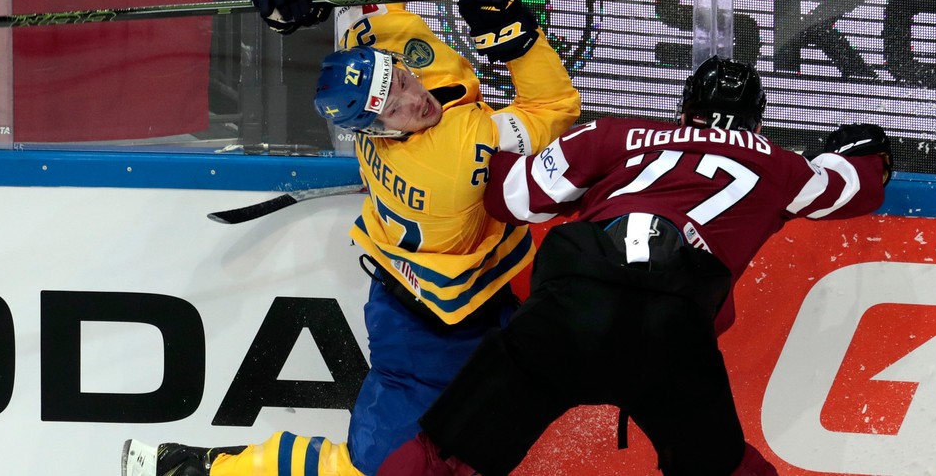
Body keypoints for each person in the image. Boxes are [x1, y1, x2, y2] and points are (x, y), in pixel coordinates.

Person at [121, 0, 579, 476]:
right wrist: (511, 33)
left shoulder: (371, 54)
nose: (417, 98)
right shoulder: (457, 158)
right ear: (376, 131)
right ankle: (200, 469)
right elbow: (554, 106)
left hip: (473, 295)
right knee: (379, 468)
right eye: (398, 107)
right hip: (427, 328)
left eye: (404, 80)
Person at [377, 56, 893, 476]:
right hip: (672, 334)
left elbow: (511, 199)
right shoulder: (779, 165)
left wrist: (479, 145)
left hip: (567, 311)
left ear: (683, 109)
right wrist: (868, 151)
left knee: (439, 459)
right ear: (757, 122)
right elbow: (852, 186)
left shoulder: (612, 135)